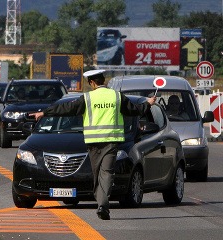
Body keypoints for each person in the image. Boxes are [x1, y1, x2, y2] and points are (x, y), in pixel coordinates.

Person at [29, 69, 156, 220]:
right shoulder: (116, 96)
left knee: (98, 174)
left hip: (93, 143)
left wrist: (44, 113)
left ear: (92, 82)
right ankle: (102, 202)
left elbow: (66, 108)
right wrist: (148, 103)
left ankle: (102, 204)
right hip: (111, 142)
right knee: (106, 173)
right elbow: (134, 110)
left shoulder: (87, 98)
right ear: (103, 81)